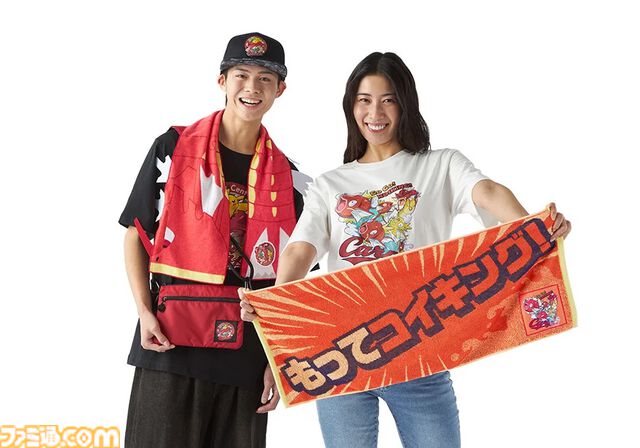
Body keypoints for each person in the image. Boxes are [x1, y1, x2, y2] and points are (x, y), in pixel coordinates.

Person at [239, 52, 571, 447]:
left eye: (388, 100)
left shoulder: (440, 165)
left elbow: (487, 192)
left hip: (420, 350)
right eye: (364, 100)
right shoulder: (330, 184)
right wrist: (275, 317)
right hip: (342, 356)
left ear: (405, 104)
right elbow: (300, 250)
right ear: (351, 107)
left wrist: (532, 230)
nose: (375, 113)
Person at [119, 32, 310, 448]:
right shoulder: (174, 147)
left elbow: (294, 280)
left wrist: (278, 358)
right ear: (222, 81)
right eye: (241, 74)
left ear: (280, 90)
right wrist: (144, 312)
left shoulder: (292, 179)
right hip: (170, 340)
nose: (252, 87)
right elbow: (137, 233)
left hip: (245, 353)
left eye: (265, 78)